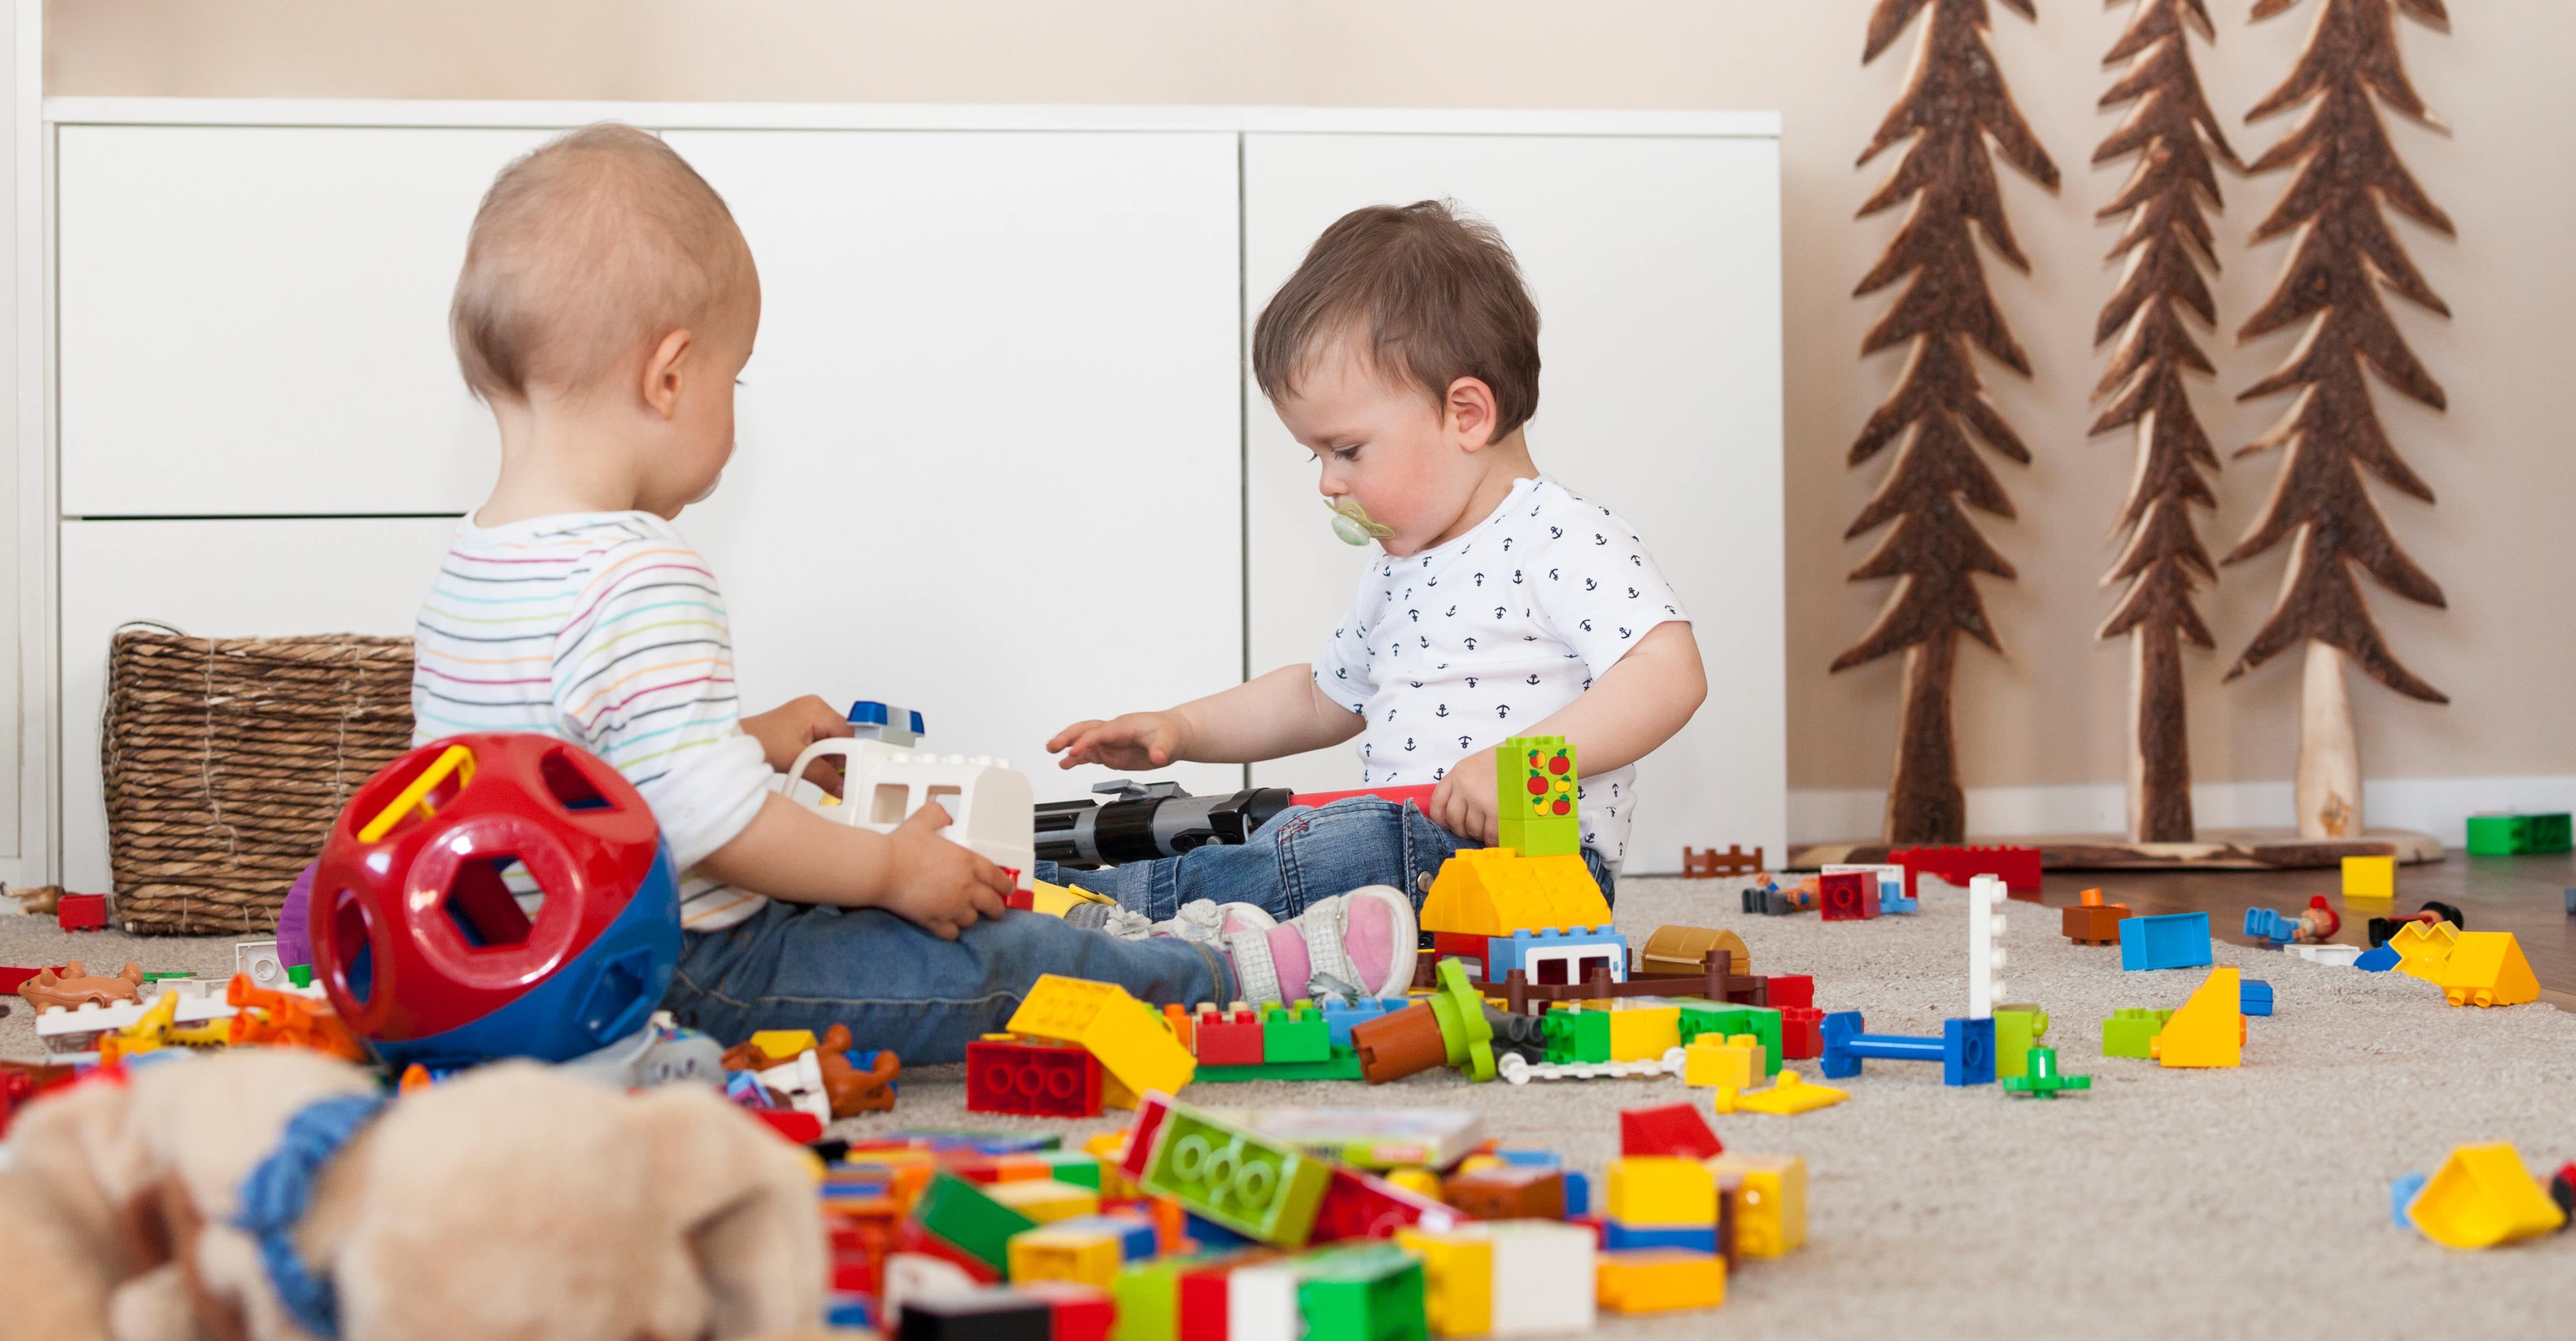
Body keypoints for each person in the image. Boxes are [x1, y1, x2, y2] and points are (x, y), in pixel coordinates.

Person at [408, 125, 1414, 1061]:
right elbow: (719, 830)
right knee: (984, 963)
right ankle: (1225, 974)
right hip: (682, 969)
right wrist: (889, 867)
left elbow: (560, 776)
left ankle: (1135, 930)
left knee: (885, 898)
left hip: (511, 971)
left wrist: (750, 738)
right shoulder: (641, 571)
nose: (732, 409)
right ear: (669, 378)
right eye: (734, 379)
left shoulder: (475, 564)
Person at [1047, 201, 1707, 922]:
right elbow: (1316, 697)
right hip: (1406, 853)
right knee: (1295, 832)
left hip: (1529, 863)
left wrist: (1517, 764)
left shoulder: (1558, 534)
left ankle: (1114, 911)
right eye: (1316, 455)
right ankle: (1119, 902)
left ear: (1466, 414)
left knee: (1341, 838)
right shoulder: (1402, 569)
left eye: (1347, 450)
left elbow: (1667, 673)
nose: (1328, 482)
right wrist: (1181, 729)